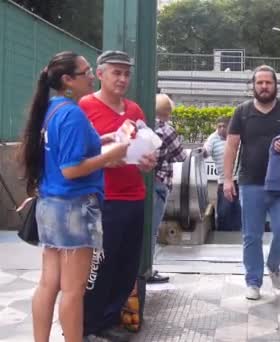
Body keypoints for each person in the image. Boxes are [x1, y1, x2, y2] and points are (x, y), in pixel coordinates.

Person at [18, 51, 128, 342]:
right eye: (86, 71)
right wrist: (111, 155)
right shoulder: (72, 113)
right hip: (75, 209)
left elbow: (64, 154)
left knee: (48, 284)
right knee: (73, 290)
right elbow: (72, 169)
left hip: (51, 206)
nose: (92, 74)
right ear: (67, 80)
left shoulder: (51, 109)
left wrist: (101, 141)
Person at [80, 50, 157, 340]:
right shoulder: (85, 106)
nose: (123, 78)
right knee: (100, 265)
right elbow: (81, 153)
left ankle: (111, 320)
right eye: (117, 72)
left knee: (126, 264)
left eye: (127, 73)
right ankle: (90, 324)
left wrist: (148, 161)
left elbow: (144, 149)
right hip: (102, 199)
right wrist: (105, 158)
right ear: (100, 74)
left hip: (134, 196)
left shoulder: (135, 110)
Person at [223, 65, 280, 300]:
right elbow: (231, 146)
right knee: (252, 235)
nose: (264, 86)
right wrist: (227, 179)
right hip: (250, 183)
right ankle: (253, 281)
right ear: (253, 86)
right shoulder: (242, 112)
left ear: (275, 85)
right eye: (259, 82)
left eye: (268, 82)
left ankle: (274, 264)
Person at [148, 93, 188, 284]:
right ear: (168, 111)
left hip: (142, 183)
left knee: (141, 228)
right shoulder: (165, 129)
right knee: (152, 229)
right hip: (160, 182)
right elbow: (181, 156)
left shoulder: (144, 124)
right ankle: (147, 270)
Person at [203, 117, 242, 231]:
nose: (221, 129)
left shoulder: (239, 136)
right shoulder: (213, 138)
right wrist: (202, 152)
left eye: (224, 126)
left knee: (240, 214)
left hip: (240, 181)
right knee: (224, 213)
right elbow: (206, 151)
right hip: (224, 182)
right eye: (218, 126)